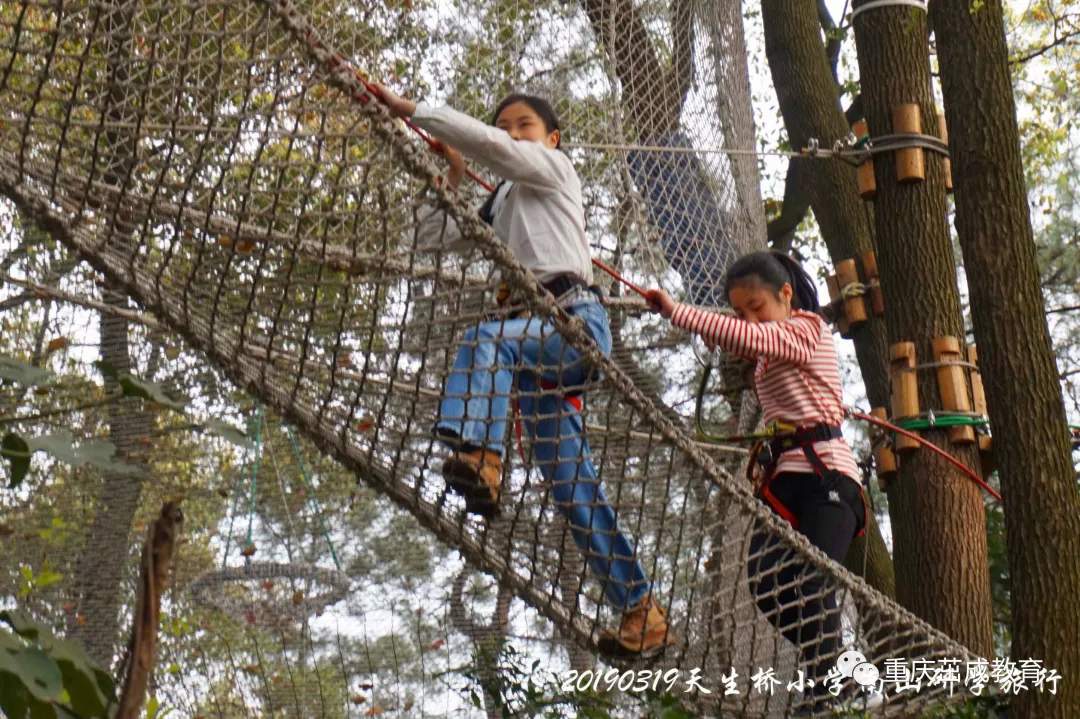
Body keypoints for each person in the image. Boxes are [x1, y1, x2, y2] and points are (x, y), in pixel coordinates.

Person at [372, 83, 672, 656]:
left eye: (524, 124)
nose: (512, 133)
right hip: (533, 350)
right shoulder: (502, 201)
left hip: (570, 323)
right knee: (571, 487)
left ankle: (482, 457)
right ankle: (641, 607)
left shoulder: (553, 169)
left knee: (487, 340)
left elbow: (498, 149)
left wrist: (416, 112)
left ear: (552, 138)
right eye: (504, 123)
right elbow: (429, 236)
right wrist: (454, 176)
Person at [648, 251, 868, 707]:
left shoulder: (807, 330)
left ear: (785, 294)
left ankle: (827, 683)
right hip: (787, 483)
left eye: (756, 306)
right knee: (767, 583)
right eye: (739, 311)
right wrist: (721, 334)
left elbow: (759, 338)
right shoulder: (769, 353)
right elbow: (751, 341)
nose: (748, 318)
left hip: (826, 476)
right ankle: (830, 672)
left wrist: (679, 313)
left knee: (812, 581)